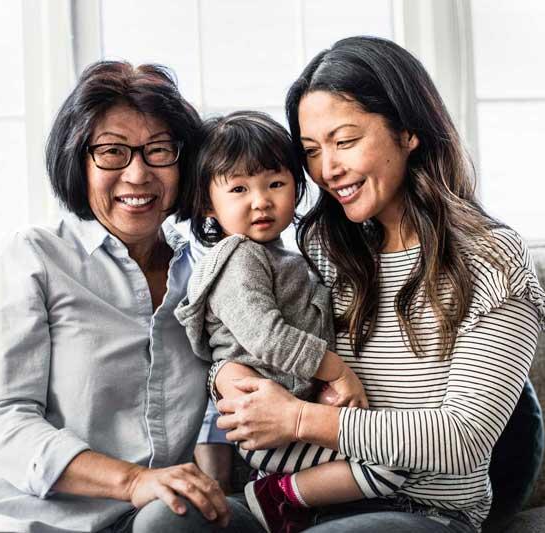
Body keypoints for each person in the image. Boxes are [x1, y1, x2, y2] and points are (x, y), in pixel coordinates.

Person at [214, 36, 545, 533]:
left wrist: (297, 420)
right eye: (312, 151)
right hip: (304, 496)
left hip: (425, 512)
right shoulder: (323, 249)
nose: (328, 170)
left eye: (345, 141)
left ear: (408, 131)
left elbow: (466, 436)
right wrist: (229, 379)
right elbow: (254, 338)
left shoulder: (491, 259)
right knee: (170, 519)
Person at [0, 61, 254, 533]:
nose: (138, 175)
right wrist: (133, 479)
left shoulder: (208, 273)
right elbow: (5, 421)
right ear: (78, 160)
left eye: (159, 151)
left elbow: (227, 383)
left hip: (130, 519)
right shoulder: (35, 256)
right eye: (112, 152)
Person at [174, 111, 410, 532]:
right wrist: (336, 373)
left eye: (275, 185)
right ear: (208, 204)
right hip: (266, 427)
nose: (260, 200)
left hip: (296, 416)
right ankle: (274, 498)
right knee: (390, 464)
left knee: (381, 463)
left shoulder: (289, 258)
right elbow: (266, 337)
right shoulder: (237, 258)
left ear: (297, 189)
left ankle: (295, 501)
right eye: (240, 189)